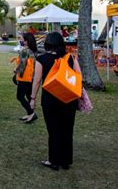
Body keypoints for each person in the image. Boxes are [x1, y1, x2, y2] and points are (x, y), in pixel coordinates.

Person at [30, 32, 81, 171]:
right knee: (67, 130)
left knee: (53, 130)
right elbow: (78, 76)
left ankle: (54, 161)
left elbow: (37, 80)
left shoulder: (41, 59)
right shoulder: (70, 57)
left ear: (47, 43)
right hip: (68, 99)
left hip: (50, 99)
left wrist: (32, 98)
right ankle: (66, 161)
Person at [14, 33, 38, 123]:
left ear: (26, 41)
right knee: (28, 96)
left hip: (24, 78)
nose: (21, 40)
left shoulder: (25, 51)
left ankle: (31, 113)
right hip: (32, 77)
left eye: (22, 39)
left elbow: (22, 65)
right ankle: (29, 113)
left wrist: (16, 73)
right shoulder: (34, 50)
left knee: (20, 96)